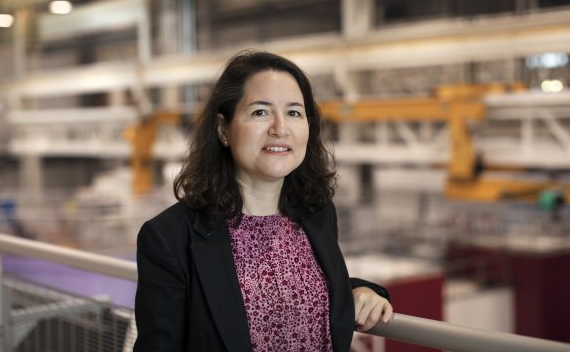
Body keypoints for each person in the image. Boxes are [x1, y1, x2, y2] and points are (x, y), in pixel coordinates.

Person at [134, 50, 393, 352]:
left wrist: (362, 290)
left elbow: (300, 291)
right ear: (223, 129)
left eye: (294, 113)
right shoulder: (168, 238)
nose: (280, 129)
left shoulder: (318, 213)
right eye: (260, 112)